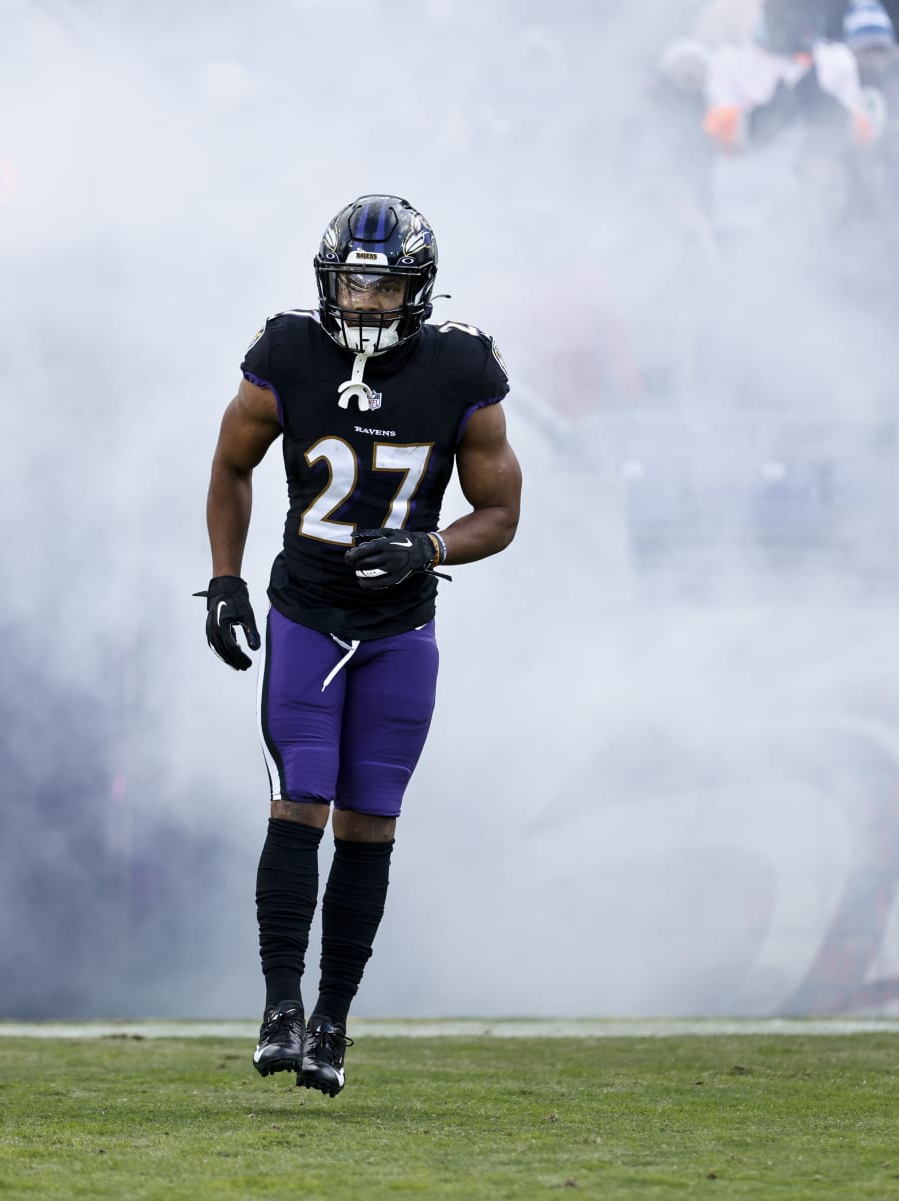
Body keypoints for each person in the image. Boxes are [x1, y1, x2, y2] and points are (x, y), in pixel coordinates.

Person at [198, 195, 523, 1097]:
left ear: (416, 289)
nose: (367, 299)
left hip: (399, 626)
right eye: (353, 280)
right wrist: (225, 579)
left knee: (371, 815)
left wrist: (428, 545)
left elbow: (501, 514)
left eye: (384, 284)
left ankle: (333, 1020)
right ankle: (278, 1007)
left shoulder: (462, 367)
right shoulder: (287, 353)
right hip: (307, 609)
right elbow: (231, 464)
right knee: (299, 798)